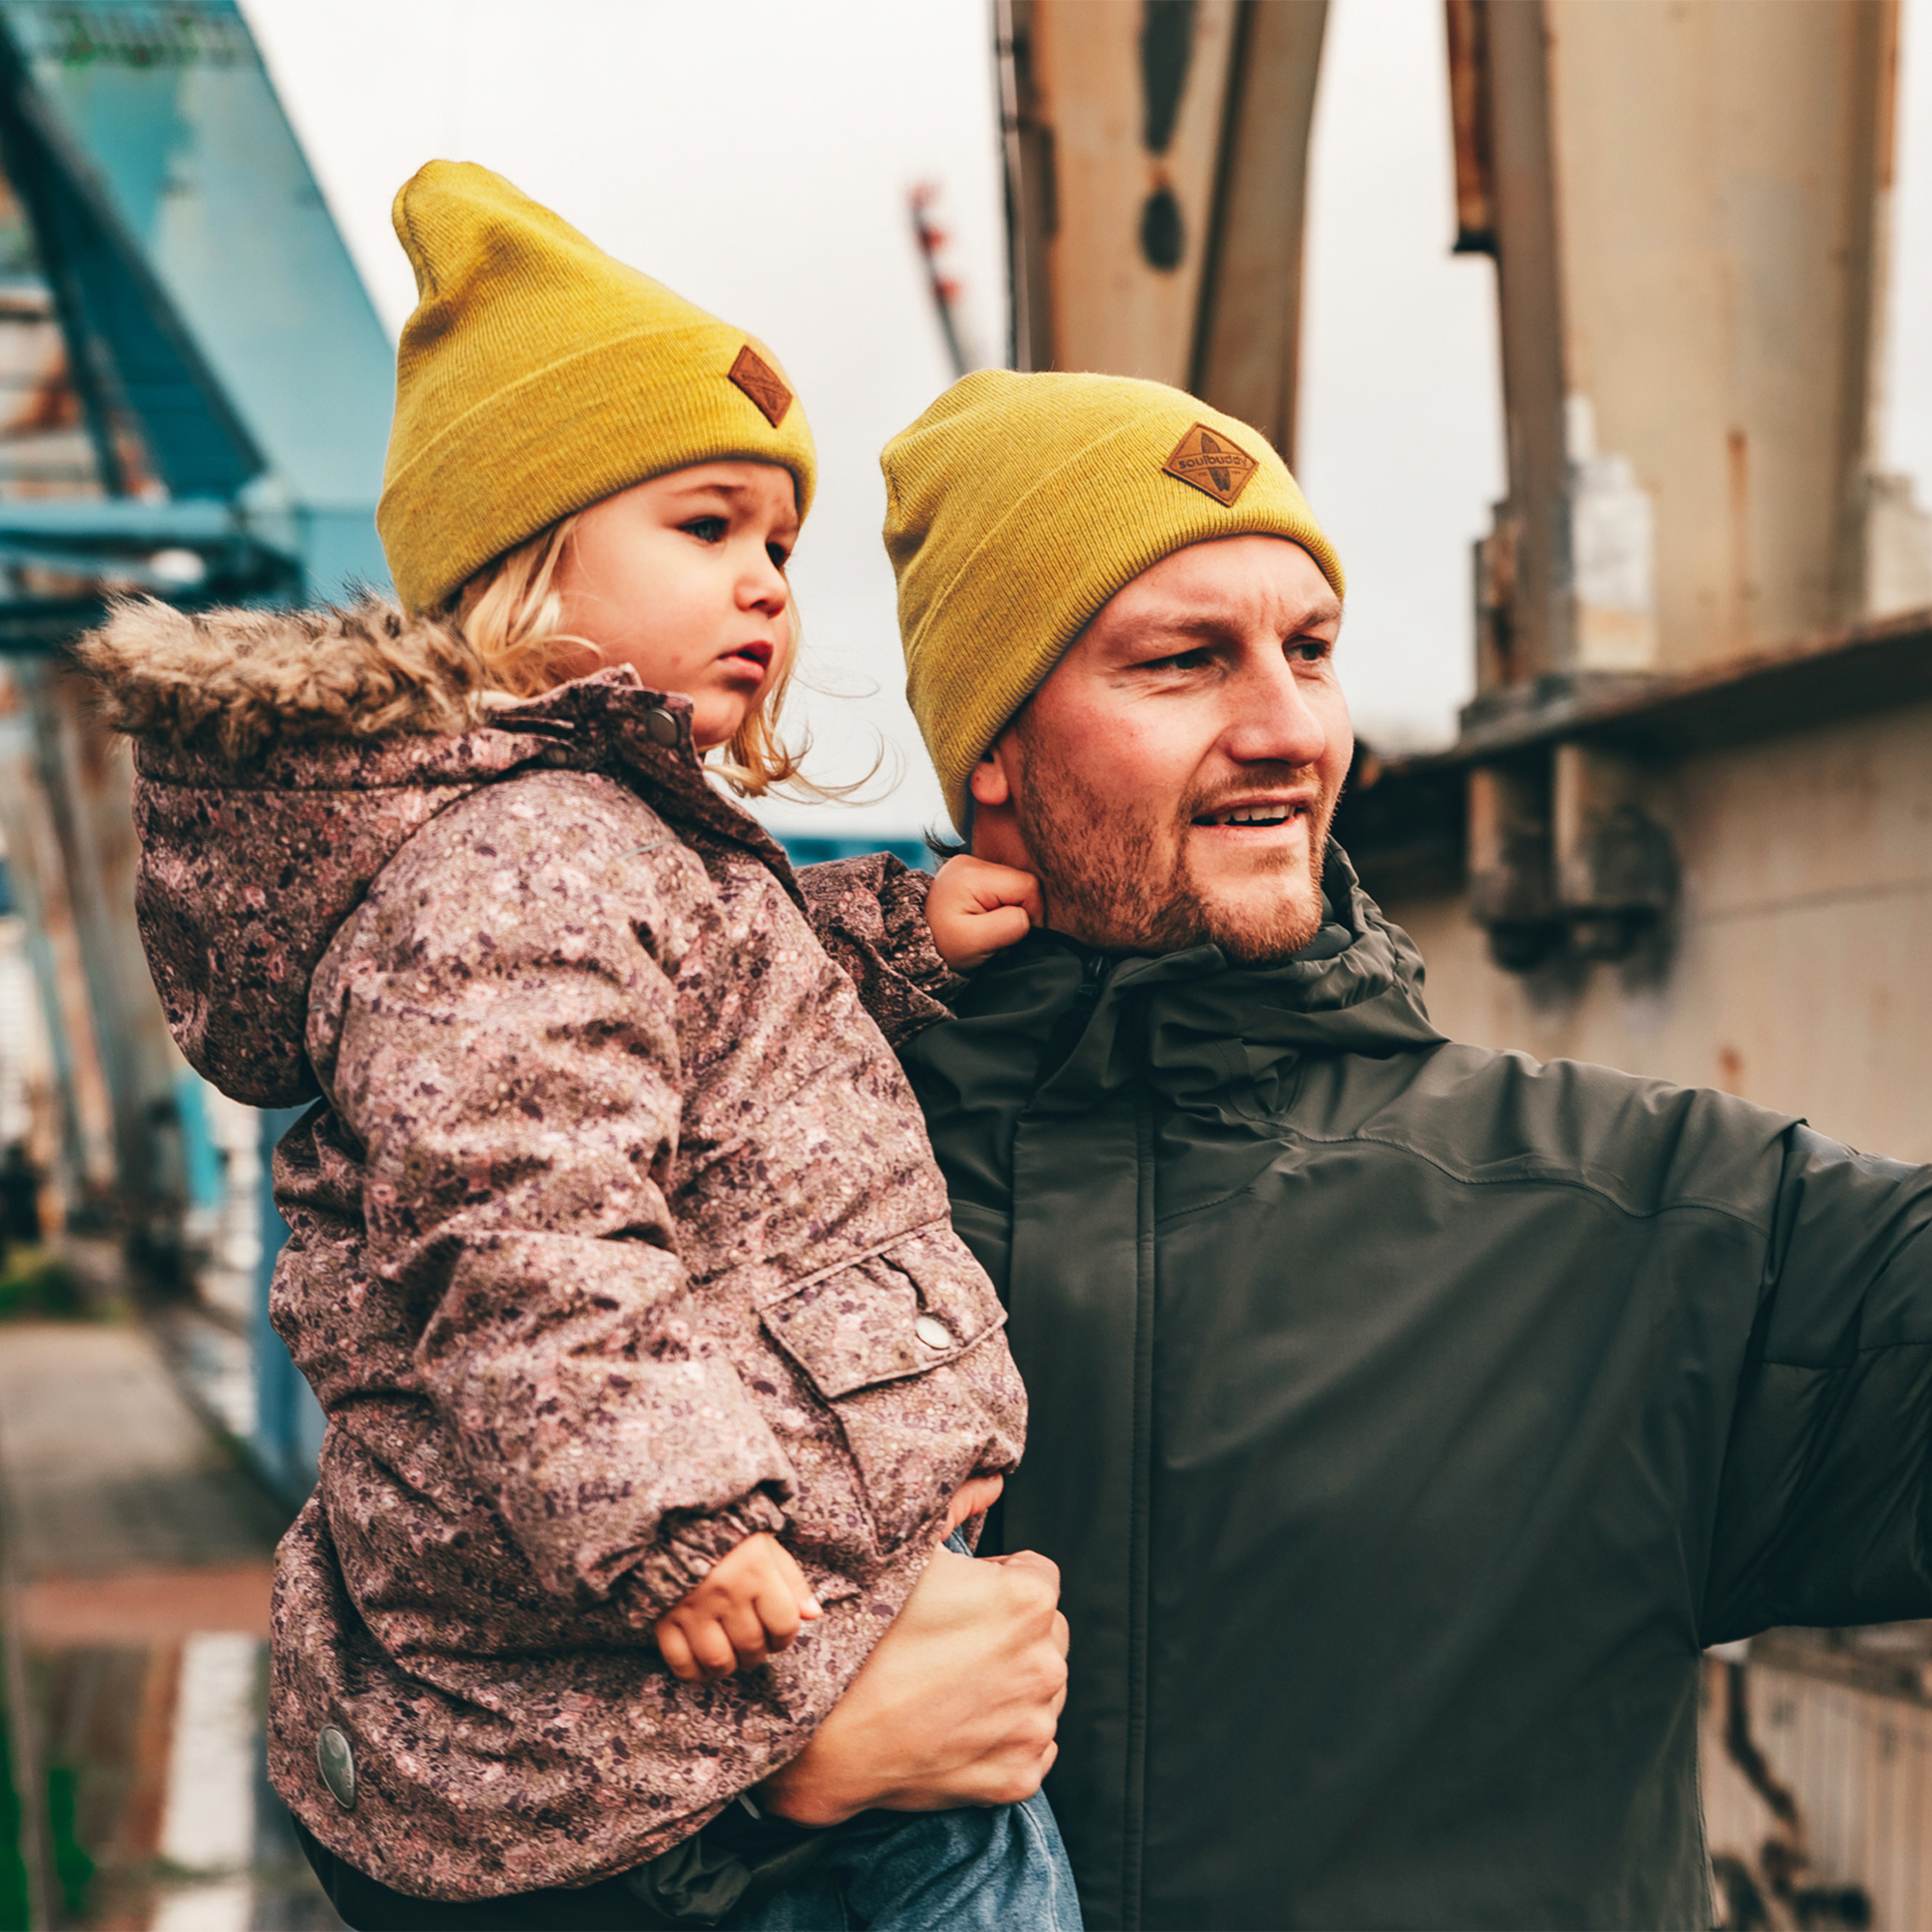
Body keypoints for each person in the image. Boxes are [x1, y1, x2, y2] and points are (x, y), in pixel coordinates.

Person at [788, 367, 1932, 1930]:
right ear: (993, 747)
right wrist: (749, 1759)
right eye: (1186, 661)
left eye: (1309, 651)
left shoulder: (1650, 1227)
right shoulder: (743, 1227)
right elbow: (392, 1804)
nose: (1291, 730)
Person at [78, 166, 1078, 1931]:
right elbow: (522, 1213)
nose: (768, 584)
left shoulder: (576, 848)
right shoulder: (524, 861)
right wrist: (671, 1524)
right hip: (702, 1644)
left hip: (752, 1645)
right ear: (517, 564)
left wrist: (884, 938)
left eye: (782, 541)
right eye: (705, 529)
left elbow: (664, 1033)